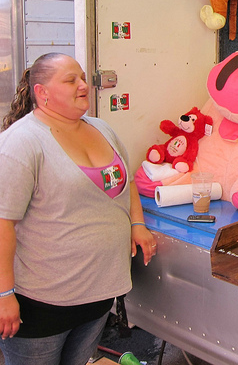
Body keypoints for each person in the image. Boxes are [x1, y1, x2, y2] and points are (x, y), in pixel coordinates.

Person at [0, 53, 157, 365]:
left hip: (99, 295)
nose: (84, 85)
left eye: (82, 77)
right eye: (71, 80)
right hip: (42, 305)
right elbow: (3, 225)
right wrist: (4, 295)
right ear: (42, 93)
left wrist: (136, 224)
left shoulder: (102, 129)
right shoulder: (22, 142)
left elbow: (127, 185)